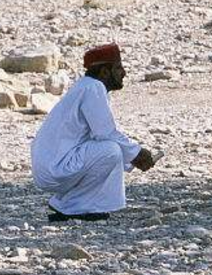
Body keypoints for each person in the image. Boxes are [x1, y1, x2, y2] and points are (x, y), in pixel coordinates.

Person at [30, 44, 157, 221]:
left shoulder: (86, 87)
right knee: (110, 150)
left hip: (52, 166)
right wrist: (136, 153)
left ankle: (69, 203)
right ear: (105, 72)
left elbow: (95, 136)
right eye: (118, 68)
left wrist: (130, 158)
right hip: (55, 168)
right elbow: (105, 133)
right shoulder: (93, 88)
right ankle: (71, 206)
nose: (124, 73)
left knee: (111, 150)